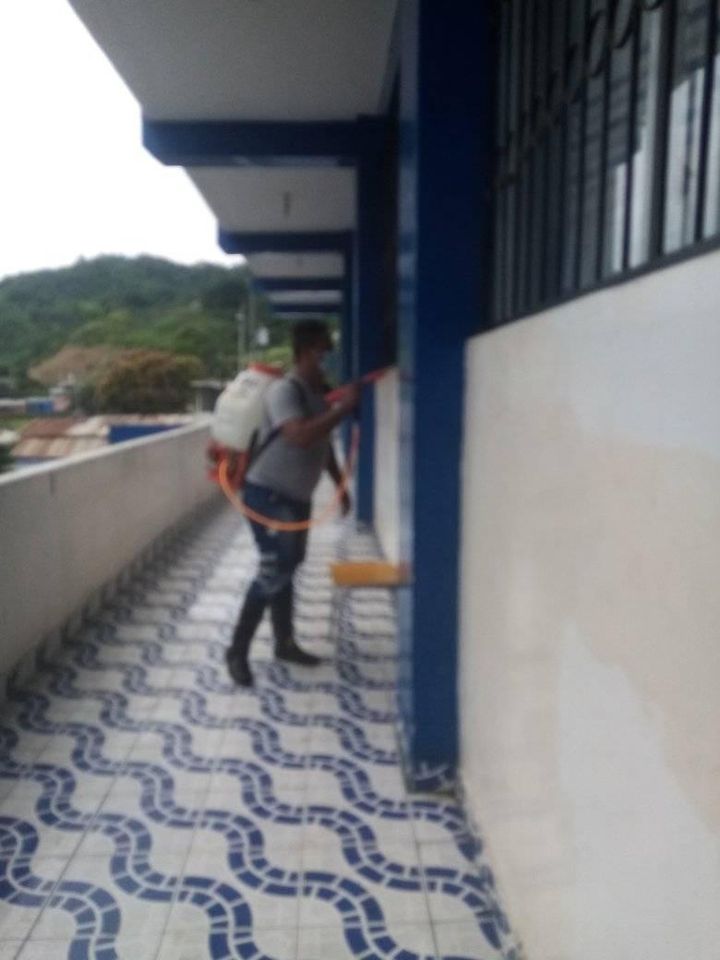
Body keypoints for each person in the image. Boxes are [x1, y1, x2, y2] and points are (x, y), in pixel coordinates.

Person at [226, 320, 360, 688]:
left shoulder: (319, 392)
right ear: (305, 352)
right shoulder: (284, 391)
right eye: (323, 350)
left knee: (288, 565)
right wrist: (342, 409)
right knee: (274, 567)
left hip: (296, 497)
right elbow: (299, 435)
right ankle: (237, 650)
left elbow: (323, 443)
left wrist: (340, 486)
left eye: (329, 350)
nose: (328, 357)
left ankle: (284, 643)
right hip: (267, 493)